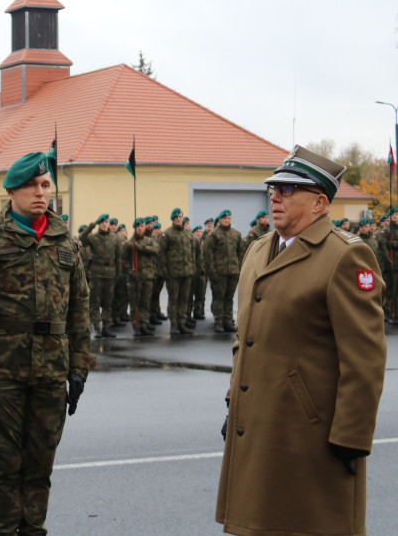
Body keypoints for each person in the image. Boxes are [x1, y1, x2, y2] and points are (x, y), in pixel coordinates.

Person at [216, 145, 387, 536]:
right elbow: (246, 340)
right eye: (273, 187)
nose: (275, 195)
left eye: (289, 189)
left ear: (320, 203)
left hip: (310, 436)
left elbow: (365, 359)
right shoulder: (258, 251)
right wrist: (233, 403)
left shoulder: (345, 257)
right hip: (258, 426)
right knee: (256, 525)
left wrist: (351, 437)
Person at [0, 151, 93, 536]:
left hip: (51, 373)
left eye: (46, 185)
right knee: (6, 468)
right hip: (3, 373)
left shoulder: (66, 241)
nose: (40, 192)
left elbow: (80, 307)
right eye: (31, 185)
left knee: (40, 467)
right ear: (12, 190)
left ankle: (33, 531)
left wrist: (79, 369)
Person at [203, 210, 244, 333]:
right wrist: (212, 271)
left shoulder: (236, 234)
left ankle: (228, 320)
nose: (227, 220)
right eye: (225, 218)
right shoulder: (214, 234)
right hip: (219, 272)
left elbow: (240, 252)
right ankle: (218, 322)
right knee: (219, 297)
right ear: (220, 220)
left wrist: (239, 268)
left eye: (229, 218)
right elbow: (208, 254)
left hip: (233, 271)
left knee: (229, 298)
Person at [79, 213, 119, 338]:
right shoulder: (93, 238)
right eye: (101, 222)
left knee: (108, 303)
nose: (104, 224)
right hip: (97, 274)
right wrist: (93, 224)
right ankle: (97, 328)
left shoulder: (115, 238)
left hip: (110, 274)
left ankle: (106, 327)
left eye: (106, 222)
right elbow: (82, 237)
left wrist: (119, 274)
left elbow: (119, 257)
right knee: (94, 303)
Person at [122, 217, 158, 336]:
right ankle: (136, 325)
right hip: (134, 279)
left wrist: (140, 248)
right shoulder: (128, 243)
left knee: (145, 303)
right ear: (135, 228)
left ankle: (144, 324)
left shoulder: (149, 241)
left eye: (142, 226)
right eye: (138, 226)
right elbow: (124, 261)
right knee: (135, 304)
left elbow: (156, 250)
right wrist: (131, 272)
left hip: (147, 276)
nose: (140, 228)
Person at [162, 208, 195, 335]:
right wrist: (166, 271)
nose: (178, 219)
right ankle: (174, 324)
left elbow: (192, 252)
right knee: (173, 299)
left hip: (187, 272)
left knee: (184, 299)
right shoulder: (167, 234)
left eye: (180, 216)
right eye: (176, 217)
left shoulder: (188, 233)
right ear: (172, 219)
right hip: (173, 273)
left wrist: (192, 267)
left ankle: (182, 323)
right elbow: (161, 254)